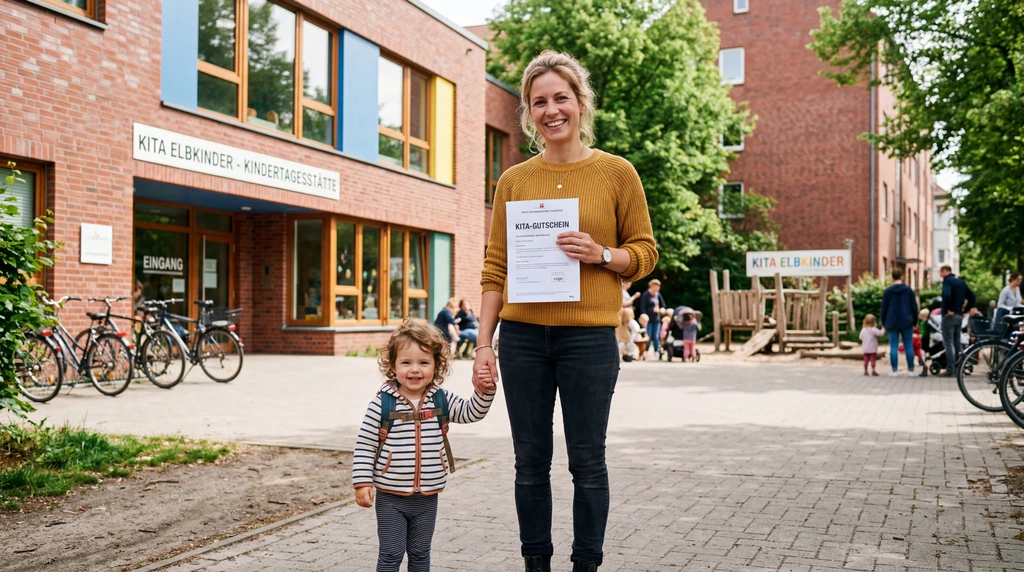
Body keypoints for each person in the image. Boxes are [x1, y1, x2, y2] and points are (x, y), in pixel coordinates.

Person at [472, 50, 658, 572]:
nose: (551, 110)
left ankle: (585, 565)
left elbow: (645, 253)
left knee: (587, 462)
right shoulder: (513, 181)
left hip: (588, 341)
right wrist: (483, 344)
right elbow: (495, 268)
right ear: (529, 113)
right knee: (529, 463)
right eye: (539, 102)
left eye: (561, 98)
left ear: (580, 103)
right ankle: (536, 565)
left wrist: (600, 254)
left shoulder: (617, 173)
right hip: (523, 340)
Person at [353, 320, 495, 572]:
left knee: (420, 553)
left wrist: (484, 392)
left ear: (436, 365)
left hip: (428, 497)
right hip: (390, 496)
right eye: (406, 362)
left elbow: (471, 412)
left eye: (424, 362)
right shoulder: (382, 404)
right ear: (393, 366)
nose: (415, 370)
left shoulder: (441, 399)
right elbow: (365, 444)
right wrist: (362, 482)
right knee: (391, 554)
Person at [939, 265, 977, 376]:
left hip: (950, 316)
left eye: (940, 272)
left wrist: (947, 310)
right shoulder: (961, 282)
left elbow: (946, 295)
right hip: (959, 315)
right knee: (957, 342)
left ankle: (950, 369)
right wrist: (966, 309)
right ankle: (959, 367)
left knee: (948, 342)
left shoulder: (947, 281)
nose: (940, 275)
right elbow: (972, 297)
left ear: (944, 271)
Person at [880, 267, 919, 376]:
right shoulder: (908, 290)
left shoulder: (888, 291)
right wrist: (915, 321)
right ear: (902, 276)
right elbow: (914, 307)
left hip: (892, 321)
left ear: (892, 277)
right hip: (907, 321)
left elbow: (884, 308)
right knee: (908, 346)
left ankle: (894, 370)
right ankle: (911, 370)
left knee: (893, 346)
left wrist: (883, 322)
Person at [638, 279, 666, 357]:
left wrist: (662, 309)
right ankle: (646, 350)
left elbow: (663, 305)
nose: (657, 288)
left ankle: (656, 351)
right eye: (656, 286)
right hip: (648, 320)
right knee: (648, 336)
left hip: (656, 319)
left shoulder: (658, 295)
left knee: (656, 336)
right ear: (652, 286)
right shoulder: (645, 295)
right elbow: (642, 307)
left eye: (658, 287)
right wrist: (644, 317)